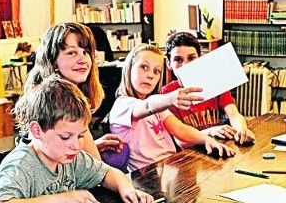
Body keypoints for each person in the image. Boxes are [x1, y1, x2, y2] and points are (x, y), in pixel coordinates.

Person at [0, 75, 153, 203]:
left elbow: (107, 173)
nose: (76, 145)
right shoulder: (20, 166)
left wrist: (128, 190)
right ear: (37, 130)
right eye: (66, 137)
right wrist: (60, 199)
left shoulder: (71, 158)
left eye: (81, 135)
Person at [108, 44, 236, 171]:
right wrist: (170, 98)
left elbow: (180, 130)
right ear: (129, 69)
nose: (150, 75)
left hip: (171, 166)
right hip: (147, 175)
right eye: (144, 67)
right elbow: (147, 106)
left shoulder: (158, 106)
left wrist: (207, 139)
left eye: (156, 71)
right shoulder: (122, 105)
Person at [24, 22, 129, 169]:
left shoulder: (71, 95)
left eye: (86, 52)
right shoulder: (55, 101)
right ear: (52, 61)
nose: (83, 59)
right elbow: (97, 170)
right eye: (72, 53)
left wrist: (91, 145)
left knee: (121, 151)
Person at [163, 32, 254, 144]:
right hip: (191, 154)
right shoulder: (166, 95)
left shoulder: (215, 81)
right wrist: (209, 132)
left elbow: (234, 114)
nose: (186, 65)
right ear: (169, 64)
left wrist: (241, 130)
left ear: (200, 58)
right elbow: (180, 141)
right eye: (178, 60)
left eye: (191, 58)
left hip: (219, 147)